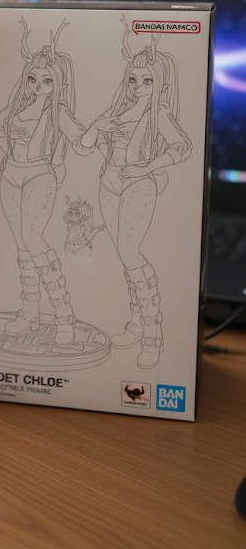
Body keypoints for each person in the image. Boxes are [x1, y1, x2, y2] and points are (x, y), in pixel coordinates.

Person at [77, 18, 192, 369]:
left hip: (138, 184)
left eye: (147, 80)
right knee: (123, 254)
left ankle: (153, 332)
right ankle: (137, 323)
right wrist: (96, 127)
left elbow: (182, 146)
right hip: (108, 182)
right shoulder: (117, 110)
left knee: (129, 251)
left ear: (160, 83)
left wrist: (147, 168)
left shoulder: (159, 113)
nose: (139, 86)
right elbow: (83, 146)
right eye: (133, 79)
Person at [0, 17, 90, 344]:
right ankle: (29, 311)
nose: (38, 85)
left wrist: (99, 133)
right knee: (21, 245)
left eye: (47, 80)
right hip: (10, 175)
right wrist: (6, 145)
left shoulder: (58, 110)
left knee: (32, 240)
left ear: (58, 82)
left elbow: (81, 140)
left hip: (38, 175)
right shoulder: (20, 104)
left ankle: (64, 314)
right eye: (33, 78)